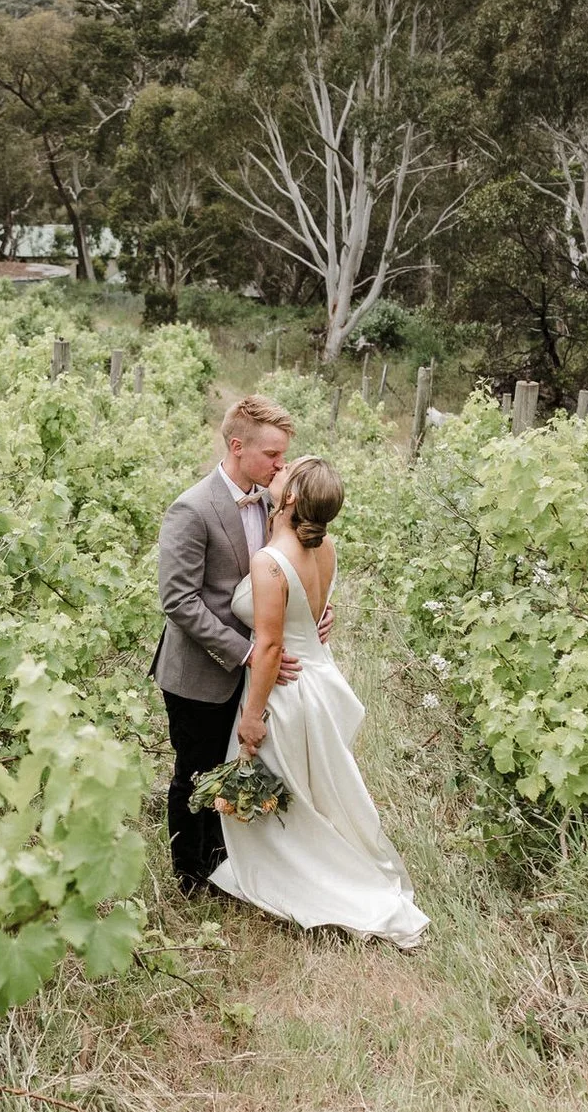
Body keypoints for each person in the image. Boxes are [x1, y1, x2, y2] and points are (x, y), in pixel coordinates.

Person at [213, 456, 429, 948]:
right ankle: (341, 871)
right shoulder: (325, 544)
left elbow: (268, 647)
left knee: (286, 798)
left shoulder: (269, 563)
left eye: (287, 472)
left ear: (290, 497)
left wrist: (251, 717)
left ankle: (304, 879)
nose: (278, 469)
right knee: (313, 792)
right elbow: (313, 613)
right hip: (321, 678)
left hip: (286, 693)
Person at [152, 395, 325, 895]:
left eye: (283, 455)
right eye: (272, 454)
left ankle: (230, 866)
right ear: (237, 446)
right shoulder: (192, 508)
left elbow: (282, 573)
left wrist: (311, 615)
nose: (281, 465)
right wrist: (247, 653)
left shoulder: (275, 499)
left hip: (257, 669)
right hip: (200, 671)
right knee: (195, 771)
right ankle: (191, 877)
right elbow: (179, 602)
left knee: (237, 765)